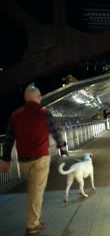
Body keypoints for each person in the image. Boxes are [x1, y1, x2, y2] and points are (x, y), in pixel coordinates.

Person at [0, 85, 68, 235]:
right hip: (40, 158)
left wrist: (5, 159)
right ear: (38, 98)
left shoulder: (15, 115)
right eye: (40, 97)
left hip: (23, 160)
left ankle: (36, 219)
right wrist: (62, 148)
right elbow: (56, 132)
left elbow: (9, 139)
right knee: (36, 191)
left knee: (33, 189)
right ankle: (32, 224)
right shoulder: (44, 113)